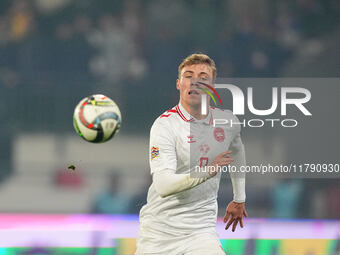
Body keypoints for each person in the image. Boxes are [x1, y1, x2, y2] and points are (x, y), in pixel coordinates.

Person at [135, 53, 247, 255]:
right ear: (179, 84)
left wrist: (239, 197)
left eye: (203, 77)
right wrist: (208, 170)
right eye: (189, 76)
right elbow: (163, 185)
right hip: (160, 234)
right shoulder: (165, 126)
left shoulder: (227, 122)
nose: (195, 81)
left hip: (200, 232)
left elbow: (237, 151)